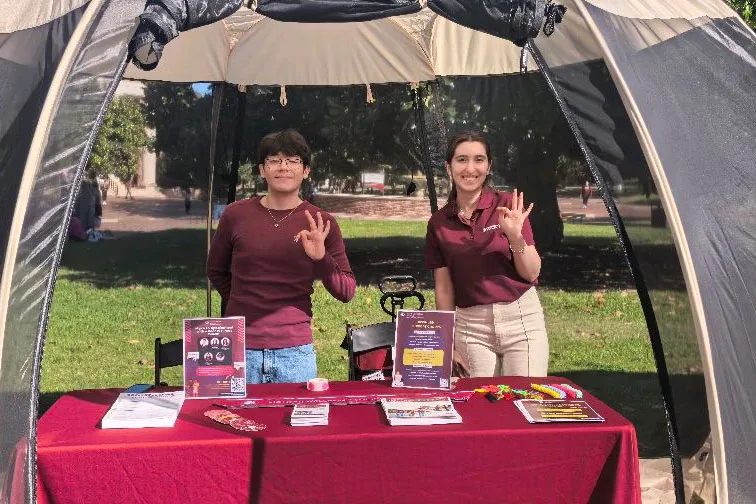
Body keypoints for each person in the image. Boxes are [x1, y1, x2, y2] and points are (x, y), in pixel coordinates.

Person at [207, 129, 356, 384]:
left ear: (306, 170)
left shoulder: (321, 222)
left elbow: (346, 291)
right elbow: (216, 270)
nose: (283, 167)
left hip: (295, 354)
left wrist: (321, 259)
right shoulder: (235, 215)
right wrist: (243, 301)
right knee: (233, 422)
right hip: (240, 347)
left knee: (293, 423)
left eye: (293, 160)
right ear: (262, 170)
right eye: (274, 160)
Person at [424, 131, 548, 378]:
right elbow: (445, 289)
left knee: (524, 403)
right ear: (449, 167)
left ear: (489, 166)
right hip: (471, 327)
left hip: (520, 319)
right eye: (461, 160)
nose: (470, 168)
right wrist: (447, 342)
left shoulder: (507, 206)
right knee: (481, 408)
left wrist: (515, 236)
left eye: (479, 159)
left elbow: (532, 272)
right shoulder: (438, 223)